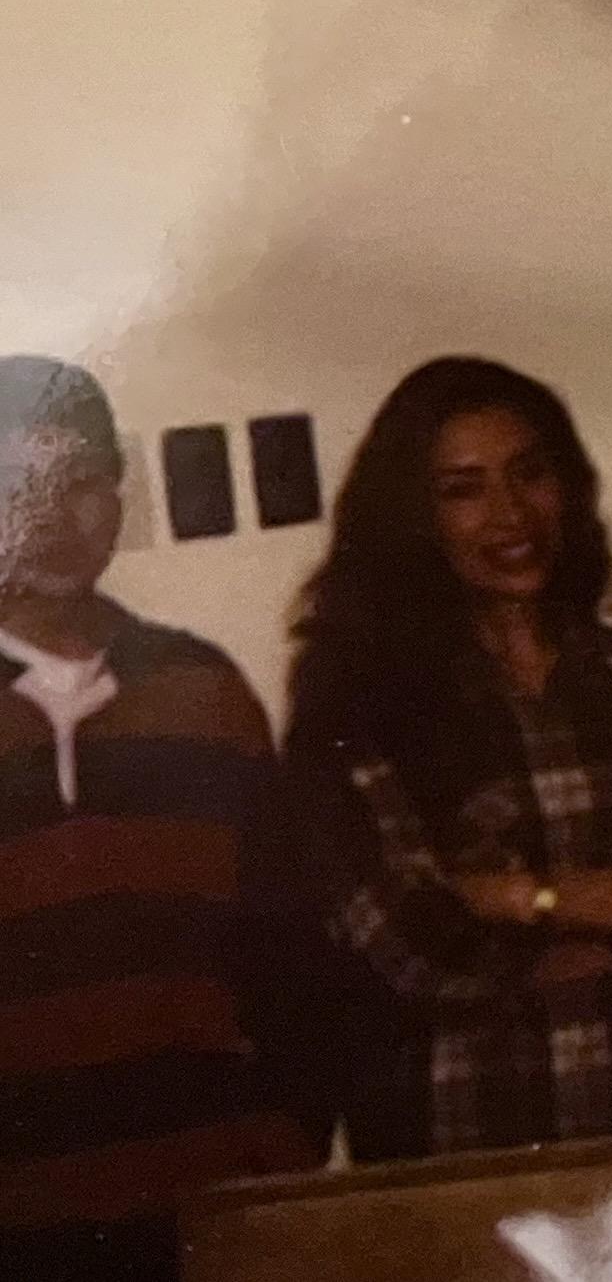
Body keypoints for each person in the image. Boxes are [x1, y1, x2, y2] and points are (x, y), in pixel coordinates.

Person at [284, 355, 612, 1162]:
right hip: (450, 1157)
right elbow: (402, 937)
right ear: (414, 518)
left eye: (529, 474)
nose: (510, 514)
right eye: (464, 489)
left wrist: (494, 896)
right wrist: (560, 900)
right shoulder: (361, 701)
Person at [0, 359, 323, 1282]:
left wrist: (284, 1143)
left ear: (120, 492)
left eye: (83, 481)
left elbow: (296, 949)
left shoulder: (203, 690)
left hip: (212, 1209)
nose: (55, 516)